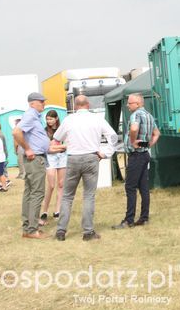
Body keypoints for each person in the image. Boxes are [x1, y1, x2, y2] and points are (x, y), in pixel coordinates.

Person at [53, 95, 117, 241]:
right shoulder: (97, 119)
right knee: (89, 195)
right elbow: (112, 136)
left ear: (75, 106)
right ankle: (88, 232)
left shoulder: (69, 120)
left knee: (67, 196)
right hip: (91, 157)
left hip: (73, 158)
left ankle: (61, 231)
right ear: (88, 105)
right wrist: (105, 153)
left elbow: (57, 137)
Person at [113, 94, 160, 230]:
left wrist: (133, 142)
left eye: (130, 103)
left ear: (138, 103)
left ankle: (129, 220)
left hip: (136, 156)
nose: (128, 105)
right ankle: (144, 218)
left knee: (130, 187)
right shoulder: (149, 116)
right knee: (144, 188)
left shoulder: (136, 115)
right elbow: (157, 133)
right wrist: (150, 144)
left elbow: (134, 129)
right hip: (144, 154)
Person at [12, 92, 50, 239]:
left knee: (29, 192)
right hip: (35, 160)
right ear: (32, 103)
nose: (43, 104)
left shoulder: (33, 116)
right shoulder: (30, 115)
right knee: (37, 193)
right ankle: (32, 229)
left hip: (35, 159)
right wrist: (27, 149)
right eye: (41, 102)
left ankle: (28, 227)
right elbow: (16, 132)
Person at [40, 109, 67, 223]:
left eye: (51, 119)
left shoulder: (62, 130)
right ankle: (44, 211)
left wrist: (58, 147)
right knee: (51, 185)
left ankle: (57, 211)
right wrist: (61, 147)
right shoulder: (45, 131)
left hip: (62, 157)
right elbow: (47, 149)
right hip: (50, 158)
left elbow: (68, 145)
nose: (49, 121)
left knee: (61, 185)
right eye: (47, 119)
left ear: (56, 119)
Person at [0, 123, 12, 189]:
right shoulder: (0, 134)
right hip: (3, 153)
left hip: (2, 153)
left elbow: (0, 146)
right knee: (2, 168)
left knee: (3, 168)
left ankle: (6, 180)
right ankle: (3, 181)